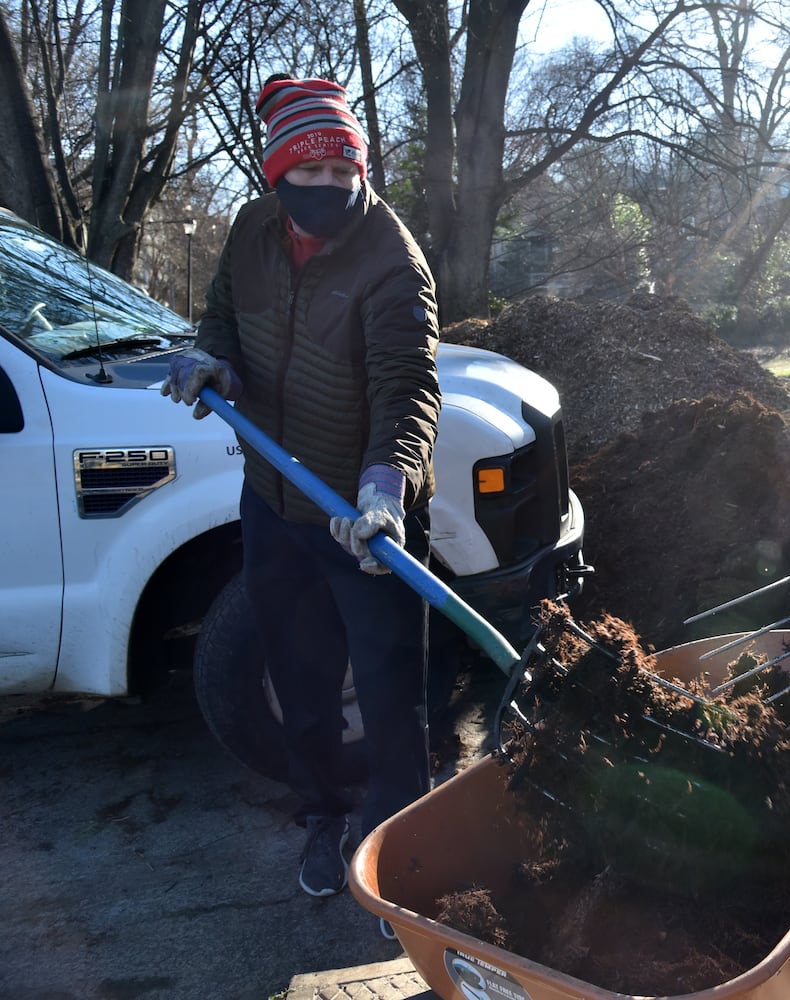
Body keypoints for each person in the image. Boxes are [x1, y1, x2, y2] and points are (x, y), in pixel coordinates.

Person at [161, 74, 441, 931]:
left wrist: (386, 488)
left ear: (360, 170)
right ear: (275, 176)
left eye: (342, 178)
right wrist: (213, 361)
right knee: (301, 679)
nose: (327, 195)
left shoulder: (392, 261)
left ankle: (400, 847)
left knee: (392, 693)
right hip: (273, 502)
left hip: (363, 518)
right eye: (307, 180)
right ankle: (321, 818)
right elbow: (219, 316)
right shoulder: (250, 230)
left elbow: (408, 392)